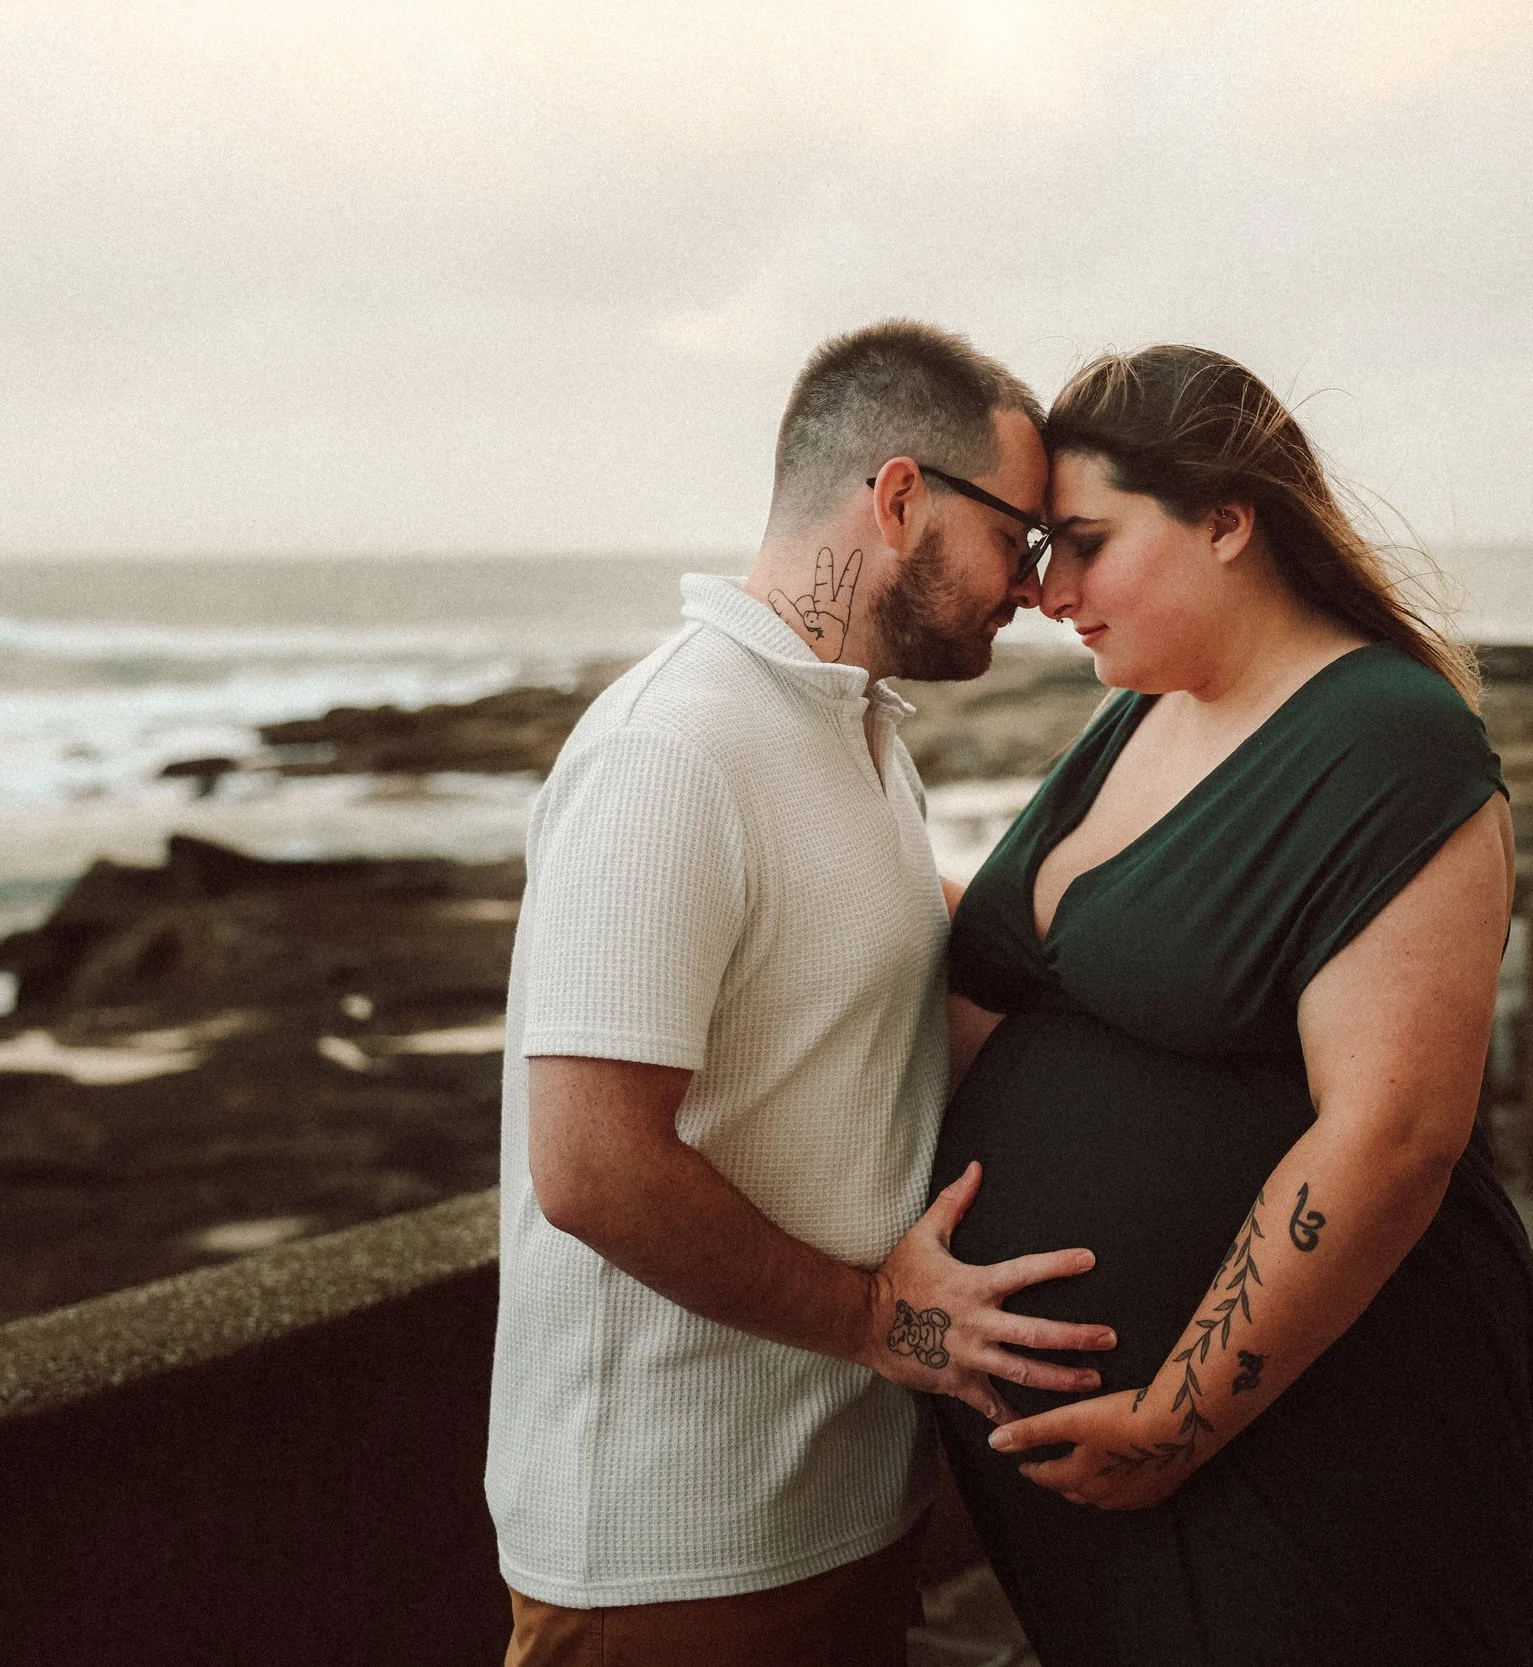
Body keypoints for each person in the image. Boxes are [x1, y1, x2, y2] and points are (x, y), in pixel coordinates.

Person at [486, 319, 1117, 1667]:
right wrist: (882, 1320)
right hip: (673, 1555)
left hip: (839, 1511)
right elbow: (592, 1165)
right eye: (1021, 535)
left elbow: (889, 1017)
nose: (1033, 587)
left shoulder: (857, 736)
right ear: (899, 499)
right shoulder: (674, 748)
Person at [931, 346, 1533, 1664]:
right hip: (1086, 1446)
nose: (1047, 591)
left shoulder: (1385, 735)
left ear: (1226, 518)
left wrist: (1177, 1418)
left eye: (1087, 544)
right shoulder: (1146, 708)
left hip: (1303, 1429)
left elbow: (1392, 1132)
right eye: (1042, 549)